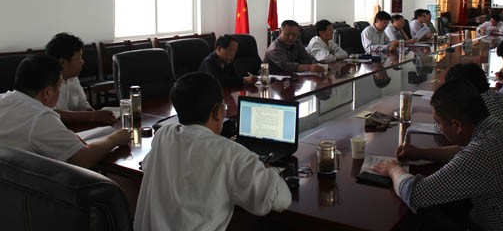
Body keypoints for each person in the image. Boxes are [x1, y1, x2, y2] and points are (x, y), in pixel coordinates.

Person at [372, 80, 503, 231]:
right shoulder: (499, 127)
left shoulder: (483, 152)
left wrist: (393, 169)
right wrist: (422, 153)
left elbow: (415, 194)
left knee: (420, 216)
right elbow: (463, 152)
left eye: (439, 123)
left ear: (457, 125)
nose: (438, 127)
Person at [134, 72, 291, 231]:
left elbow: (147, 165)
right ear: (218, 111)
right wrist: (266, 169)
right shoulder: (231, 154)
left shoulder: (164, 135)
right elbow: (282, 200)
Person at [0, 54, 130, 168]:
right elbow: (84, 159)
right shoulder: (40, 117)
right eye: (59, 85)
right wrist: (115, 138)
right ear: (47, 92)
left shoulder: (3, 99)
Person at [45, 32, 116, 125]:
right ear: (63, 62)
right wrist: (93, 116)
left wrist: (100, 118)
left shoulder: (73, 78)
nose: (82, 62)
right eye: (78, 58)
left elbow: (83, 106)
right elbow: (52, 114)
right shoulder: (45, 82)